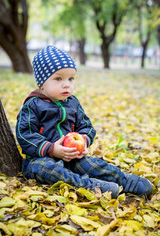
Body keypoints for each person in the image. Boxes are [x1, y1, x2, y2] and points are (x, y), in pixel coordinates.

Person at [16, 45, 152, 199]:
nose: (67, 84)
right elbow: (25, 134)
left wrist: (84, 142)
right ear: (42, 84)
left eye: (71, 78)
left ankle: (125, 181)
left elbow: (86, 127)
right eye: (58, 79)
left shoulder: (72, 103)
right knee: (49, 171)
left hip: (72, 157)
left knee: (94, 165)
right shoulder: (33, 105)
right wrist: (51, 149)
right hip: (40, 160)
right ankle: (90, 187)